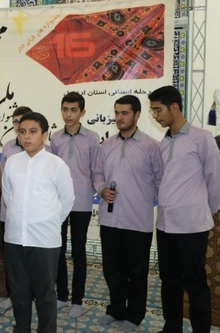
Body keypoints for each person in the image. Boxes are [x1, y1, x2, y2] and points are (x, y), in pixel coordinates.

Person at [148, 85, 220, 333]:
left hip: (192, 225)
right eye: (152, 111)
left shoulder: (202, 138)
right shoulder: (164, 142)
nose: (155, 116)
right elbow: (162, 181)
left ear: (174, 107)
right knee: (169, 281)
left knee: (195, 283)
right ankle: (172, 328)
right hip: (165, 224)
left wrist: (205, 212)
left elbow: (215, 179)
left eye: (158, 110)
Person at [92, 95, 163, 332]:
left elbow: (160, 181)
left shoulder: (152, 146)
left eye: (124, 113)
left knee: (137, 271)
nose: (119, 118)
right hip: (110, 219)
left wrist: (141, 200)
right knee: (112, 268)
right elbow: (98, 174)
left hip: (138, 220)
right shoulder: (106, 145)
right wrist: (102, 189)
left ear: (137, 115)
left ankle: (134, 315)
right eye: (117, 113)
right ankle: (115, 310)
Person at [3, 112, 74, 333]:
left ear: (44, 135)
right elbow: (7, 196)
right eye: (22, 132)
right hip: (14, 238)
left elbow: (67, 200)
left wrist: (48, 222)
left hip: (44, 241)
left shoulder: (56, 164)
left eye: (33, 132)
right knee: (19, 293)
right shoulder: (12, 163)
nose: (27, 137)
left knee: (45, 295)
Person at [50, 91, 100, 318]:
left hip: (81, 201)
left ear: (82, 112)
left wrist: (99, 189)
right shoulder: (55, 138)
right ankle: (62, 296)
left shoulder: (92, 137)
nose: (68, 114)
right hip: (58, 203)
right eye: (64, 109)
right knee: (58, 250)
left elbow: (96, 169)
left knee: (79, 251)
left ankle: (78, 300)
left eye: (73, 110)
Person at [0, 105, 39, 310]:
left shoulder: (45, 150)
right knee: (12, 258)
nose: (18, 126)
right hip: (10, 214)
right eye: (15, 122)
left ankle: (32, 296)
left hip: (34, 216)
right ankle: (12, 294)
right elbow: (5, 181)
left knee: (32, 259)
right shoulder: (8, 147)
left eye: (22, 122)